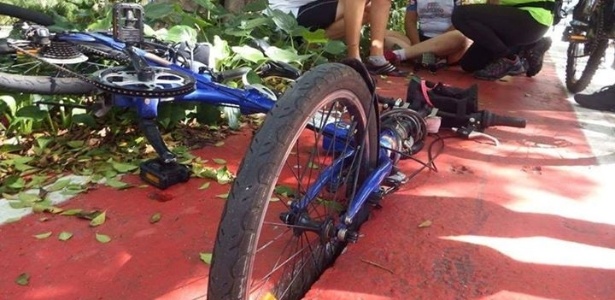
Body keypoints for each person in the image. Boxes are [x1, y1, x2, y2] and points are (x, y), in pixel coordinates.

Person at [267, 0, 407, 76]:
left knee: (375, 5)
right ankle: (353, 58)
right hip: (287, 13)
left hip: (310, 8)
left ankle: (377, 58)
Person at [451, 0, 554, 80]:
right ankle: (527, 48)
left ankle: (508, 58)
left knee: (461, 15)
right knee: (469, 64)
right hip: (514, 22)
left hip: (531, 17)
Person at [383, 0, 471, 68]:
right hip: (420, 40)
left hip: (446, 41)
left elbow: (460, 21)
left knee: (460, 36)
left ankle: (407, 55)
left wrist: (437, 43)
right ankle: (421, 57)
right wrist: (418, 45)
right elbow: (410, 22)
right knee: (384, 35)